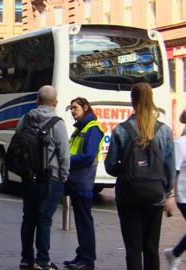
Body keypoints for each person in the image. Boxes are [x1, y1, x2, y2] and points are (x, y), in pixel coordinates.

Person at [104, 82, 175, 270]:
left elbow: (110, 166)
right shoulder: (164, 131)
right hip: (155, 195)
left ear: (132, 101)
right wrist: (166, 191)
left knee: (133, 247)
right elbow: (170, 167)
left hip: (129, 195)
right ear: (151, 100)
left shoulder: (121, 130)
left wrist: (127, 171)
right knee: (151, 247)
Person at [17, 85, 70, 270]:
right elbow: (64, 154)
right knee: (44, 219)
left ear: (37, 100)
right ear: (55, 103)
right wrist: (63, 177)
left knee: (28, 218)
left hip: (29, 177)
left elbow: (18, 142)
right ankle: (43, 261)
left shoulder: (25, 119)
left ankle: (26, 259)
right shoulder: (58, 123)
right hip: (50, 178)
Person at [64, 97, 104, 270]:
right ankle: (81, 255)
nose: (72, 111)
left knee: (85, 222)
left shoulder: (92, 129)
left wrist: (66, 161)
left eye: (75, 108)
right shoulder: (80, 128)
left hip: (83, 182)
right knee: (81, 222)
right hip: (76, 181)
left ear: (85, 107)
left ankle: (87, 260)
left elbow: (88, 156)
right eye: (71, 108)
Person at [164, 109, 186, 270]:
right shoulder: (181, 144)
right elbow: (174, 171)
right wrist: (170, 195)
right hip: (185, 196)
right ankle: (174, 253)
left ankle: (174, 253)